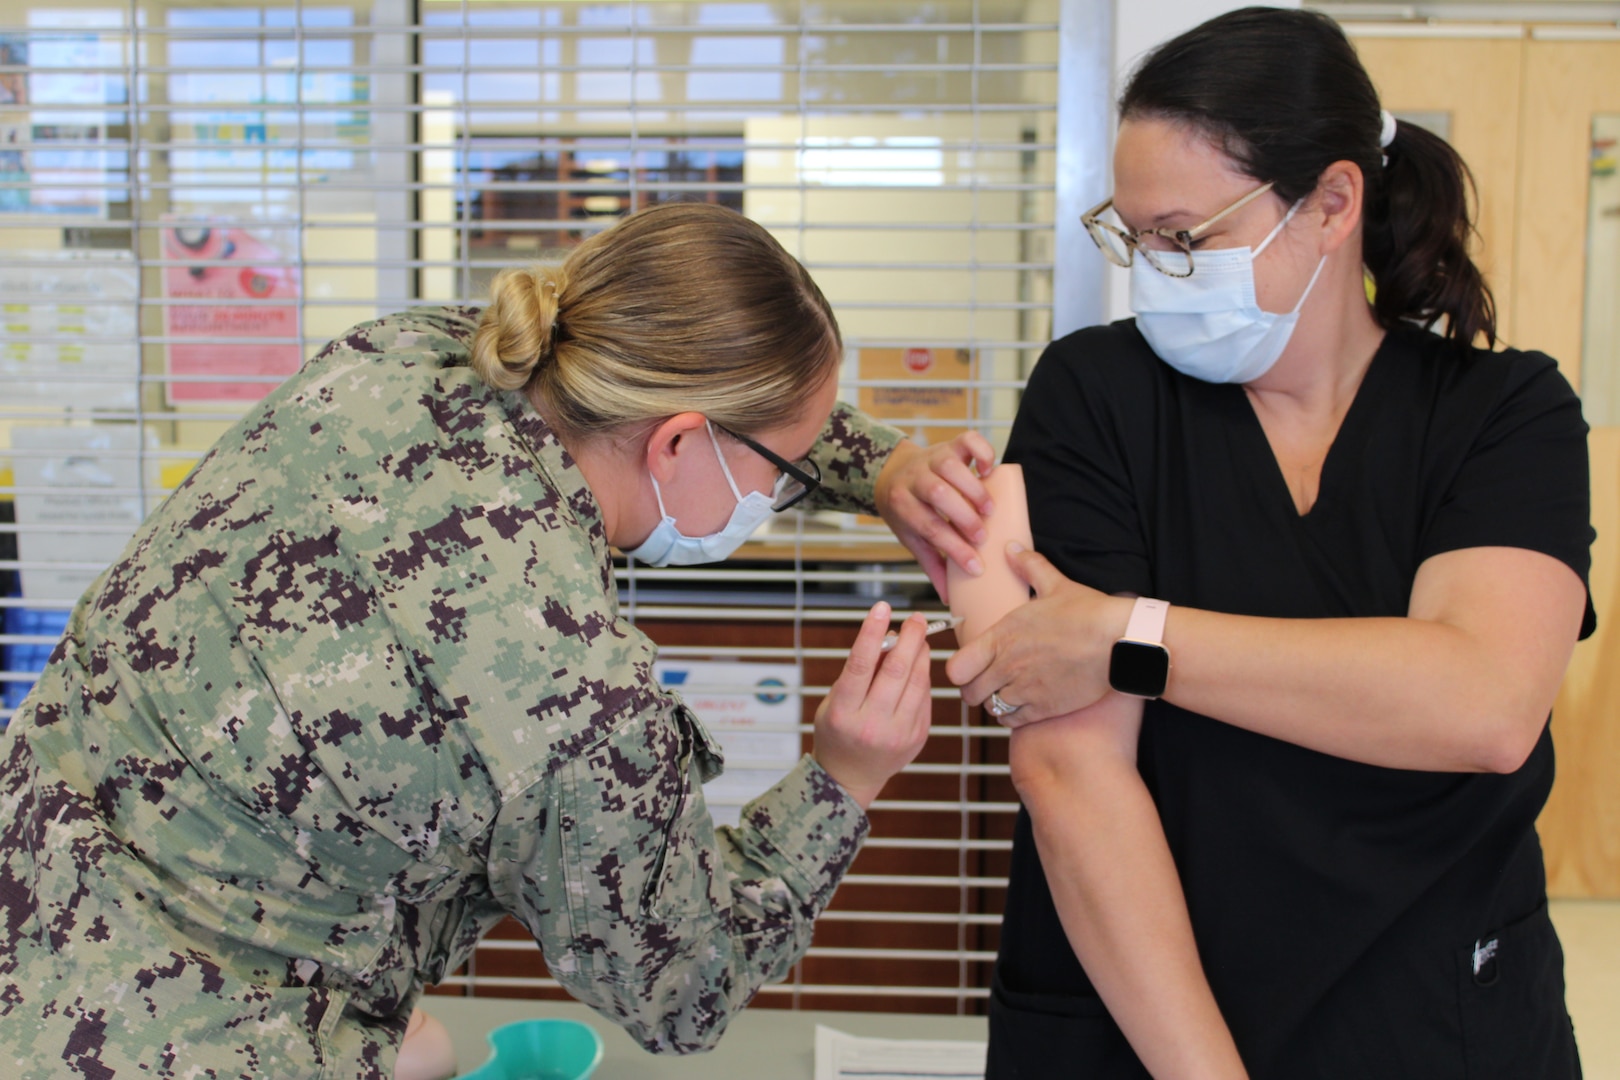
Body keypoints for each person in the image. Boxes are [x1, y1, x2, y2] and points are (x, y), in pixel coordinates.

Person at [0, 202, 997, 1080]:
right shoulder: (579, 701)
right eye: (782, 474)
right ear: (679, 444)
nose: (778, 499)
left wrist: (883, 463)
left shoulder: (399, 357)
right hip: (170, 1040)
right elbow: (685, 992)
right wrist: (843, 779)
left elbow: (717, 392)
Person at [945, 9, 1593, 1079]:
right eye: (1135, 234)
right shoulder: (1095, 398)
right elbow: (1068, 767)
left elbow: (1482, 706)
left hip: (1437, 1019)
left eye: (1186, 238)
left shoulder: (1503, 413)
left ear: (1332, 203)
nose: (1153, 269)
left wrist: (1125, 639)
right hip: (1147, 1027)